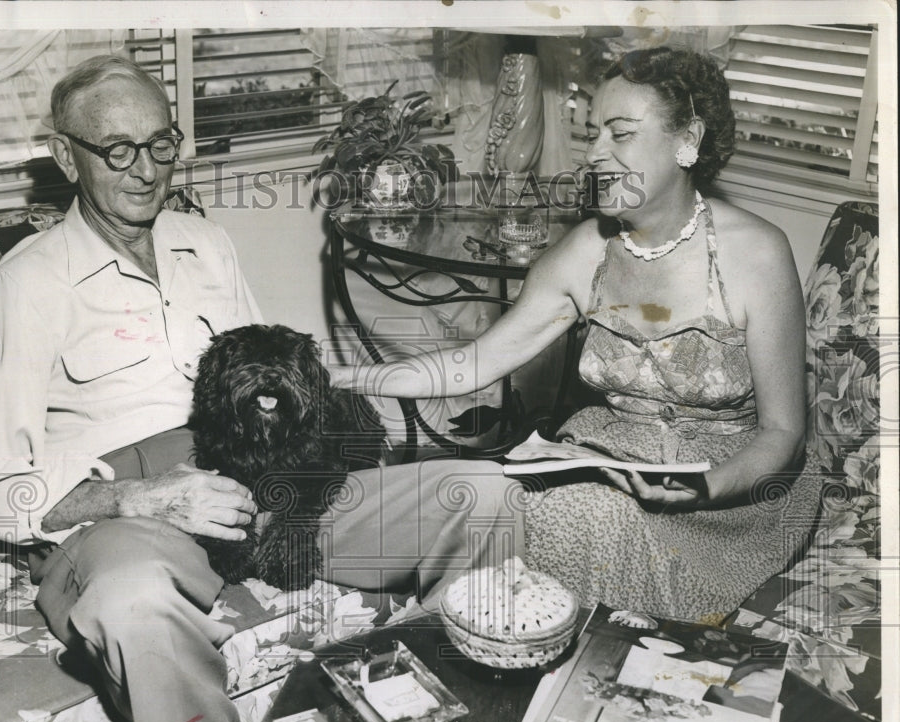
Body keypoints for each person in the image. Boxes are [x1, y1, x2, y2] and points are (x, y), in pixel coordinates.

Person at [0, 55, 523, 722]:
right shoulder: (25, 286)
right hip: (132, 523)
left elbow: (274, 381)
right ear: (65, 155)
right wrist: (143, 495)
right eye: (117, 150)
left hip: (265, 489)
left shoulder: (208, 243)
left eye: (161, 144)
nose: (145, 170)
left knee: (487, 495)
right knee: (133, 603)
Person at [332, 47, 821, 623]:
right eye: (593, 135)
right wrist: (344, 375)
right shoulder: (585, 251)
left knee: (579, 515)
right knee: (501, 496)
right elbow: (472, 364)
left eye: (620, 134)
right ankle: (468, 633)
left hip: (734, 491)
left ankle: (539, 647)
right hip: (614, 455)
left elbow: (783, 433)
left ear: (687, 140)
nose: (595, 154)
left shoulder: (757, 252)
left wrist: (707, 487)